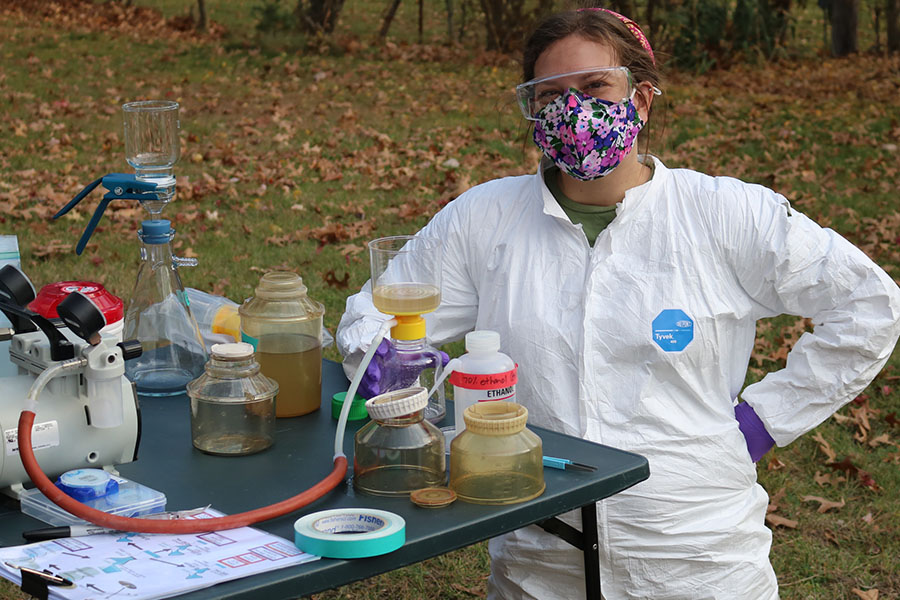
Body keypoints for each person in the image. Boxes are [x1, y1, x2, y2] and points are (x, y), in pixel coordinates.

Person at [337, 7, 900, 600]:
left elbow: (868, 303)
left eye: (594, 86)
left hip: (696, 552)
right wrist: (393, 375)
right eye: (551, 95)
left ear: (643, 100)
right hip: (537, 552)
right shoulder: (485, 219)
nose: (573, 110)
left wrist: (763, 422)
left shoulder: (725, 214)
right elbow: (372, 317)